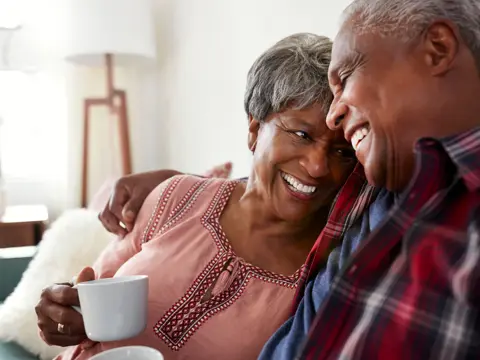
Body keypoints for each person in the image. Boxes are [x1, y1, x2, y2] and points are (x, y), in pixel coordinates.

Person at [99, 0, 480, 359]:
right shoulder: (380, 192)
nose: (335, 117)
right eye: (301, 134)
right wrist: (180, 185)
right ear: (252, 128)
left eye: (346, 76)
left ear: (437, 48)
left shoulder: (364, 191)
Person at [35, 33, 358, 360]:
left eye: (342, 151)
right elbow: (88, 295)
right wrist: (62, 313)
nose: (318, 166)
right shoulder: (177, 196)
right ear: (255, 128)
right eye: (301, 135)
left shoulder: (326, 275)